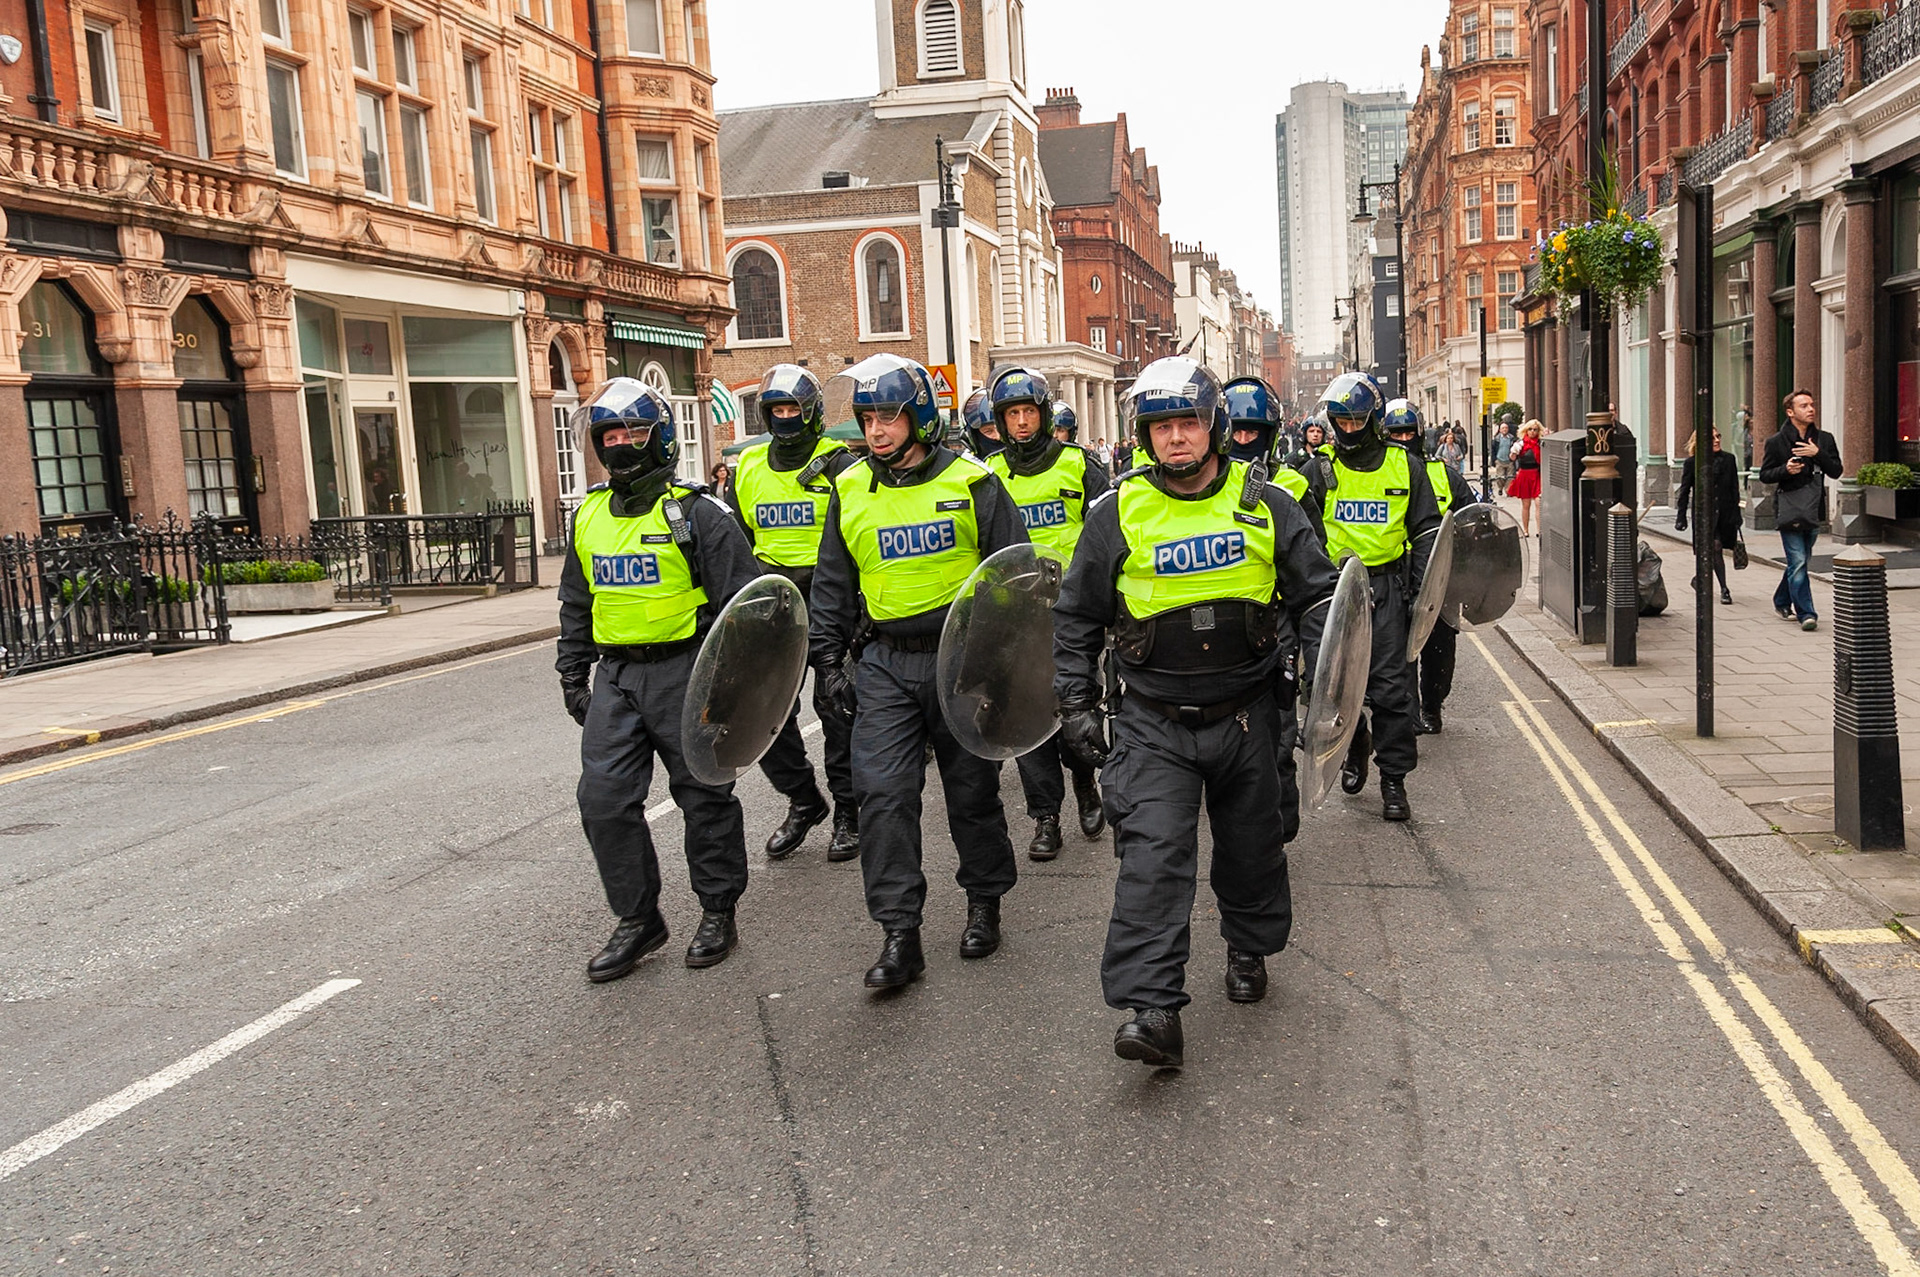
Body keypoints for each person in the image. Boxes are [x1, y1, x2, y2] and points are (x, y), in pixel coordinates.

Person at [1053, 356, 1338, 1069]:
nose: (1176, 438)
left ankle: (1247, 946)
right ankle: (1153, 1008)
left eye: (1188, 422)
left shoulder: (1267, 502)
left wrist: (1326, 691)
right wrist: (1075, 701)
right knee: (1152, 857)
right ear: (1143, 437)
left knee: (1252, 846)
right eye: (1161, 427)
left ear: (1213, 427)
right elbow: (1076, 617)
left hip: (1248, 712)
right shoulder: (1115, 512)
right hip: (1153, 720)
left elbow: (1320, 599)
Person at [809, 353, 1028, 989]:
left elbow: (1012, 576)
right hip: (885, 663)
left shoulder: (975, 481)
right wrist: (829, 662)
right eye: (868, 418)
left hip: (961, 662)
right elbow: (833, 583)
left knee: (971, 794)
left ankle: (984, 901)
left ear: (921, 418)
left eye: (890, 417)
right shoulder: (848, 489)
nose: (876, 431)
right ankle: (899, 932)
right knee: (881, 795)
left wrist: (1005, 666)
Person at [556, 379, 764, 982]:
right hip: (617, 677)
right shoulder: (589, 513)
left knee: (702, 794)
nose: (621, 445)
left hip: (687, 670)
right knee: (602, 800)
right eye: (610, 435)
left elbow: (745, 608)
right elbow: (577, 600)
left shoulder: (700, 513)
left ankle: (718, 910)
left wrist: (735, 687)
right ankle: (638, 918)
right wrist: (573, 672)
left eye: (634, 433)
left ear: (662, 437)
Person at [726, 365, 861, 862]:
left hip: (830, 601)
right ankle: (804, 799)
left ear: (812, 414)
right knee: (763, 714)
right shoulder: (749, 466)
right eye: (775, 410)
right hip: (772, 604)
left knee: (838, 711)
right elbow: (737, 541)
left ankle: (849, 811)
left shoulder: (841, 465)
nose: (784, 419)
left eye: (792, 410)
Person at [985, 369, 1112, 858]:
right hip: (1016, 614)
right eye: (1011, 415)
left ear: (1042, 414)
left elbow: (1106, 533)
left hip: (1071, 614)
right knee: (1026, 719)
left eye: (1028, 413)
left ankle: (1084, 784)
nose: (1020, 423)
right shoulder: (987, 472)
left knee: (1071, 706)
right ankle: (1045, 817)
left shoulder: (1080, 466)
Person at [1318, 373, 1444, 821]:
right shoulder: (1319, 468)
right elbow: (1303, 535)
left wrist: (1421, 594)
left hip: (1386, 587)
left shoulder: (1403, 464)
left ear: (1373, 419)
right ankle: (1353, 743)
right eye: (1340, 422)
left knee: (1391, 692)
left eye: (1357, 421)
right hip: (1335, 593)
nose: (1348, 430)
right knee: (1335, 689)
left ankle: (1394, 779)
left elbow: (1428, 528)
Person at [1383, 399, 1472, 735]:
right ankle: (1408, 714)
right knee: (1397, 654)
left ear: (1419, 434)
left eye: (1408, 432)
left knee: (1438, 653)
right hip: (1394, 578)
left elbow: (1470, 518)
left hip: (1436, 581)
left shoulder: (1444, 476)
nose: (1402, 439)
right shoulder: (1378, 477)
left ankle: (1433, 706)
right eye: (1395, 433)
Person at [1759, 388, 1842, 630]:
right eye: (1804, 406)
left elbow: (1836, 470)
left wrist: (1818, 454)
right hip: (1789, 508)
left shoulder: (1824, 439)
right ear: (1790, 412)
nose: (1811, 409)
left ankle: (1781, 599)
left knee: (1801, 560)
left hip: (1814, 509)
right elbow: (1765, 475)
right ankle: (1807, 613)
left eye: (1812, 404)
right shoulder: (1776, 442)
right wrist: (1785, 470)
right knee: (1797, 561)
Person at [1673, 427, 1742, 606]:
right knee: (1715, 547)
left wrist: (1737, 514)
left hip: (1725, 513)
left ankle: (1699, 578)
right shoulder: (1693, 463)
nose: (1717, 440)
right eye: (1712, 438)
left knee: (1713, 549)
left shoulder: (1729, 459)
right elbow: (1685, 490)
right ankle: (1724, 589)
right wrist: (1681, 516)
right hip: (1705, 514)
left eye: (1718, 436)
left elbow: (1734, 489)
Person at [1509, 420, 1544, 535]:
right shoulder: (1521, 443)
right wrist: (1513, 453)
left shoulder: (1540, 443)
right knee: (1526, 504)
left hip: (1537, 474)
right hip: (1524, 474)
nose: (1533, 432)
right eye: (1530, 429)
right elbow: (1512, 458)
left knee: (1539, 503)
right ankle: (1526, 530)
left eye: (1535, 429)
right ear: (1526, 430)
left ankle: (1539, 530)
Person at [962, 387, 1002, 460]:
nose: (998, 436)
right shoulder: (966, 467)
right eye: (989, 431)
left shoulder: (1024, 463)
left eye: (1001, 429)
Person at [1492, 421, 1515, 495]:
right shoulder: (1496, 439)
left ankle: (1508, 490)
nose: (1505, 429)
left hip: (1509, 460)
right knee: (1500, 477)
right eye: (1503, 428)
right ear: (1500, 430)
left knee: (1510, 477)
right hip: (1499, 460)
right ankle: (1500, 488)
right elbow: (1493, 450)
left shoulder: (1512, 439)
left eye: (1506, 428)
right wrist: (1494, 460)